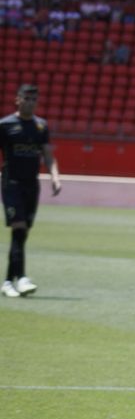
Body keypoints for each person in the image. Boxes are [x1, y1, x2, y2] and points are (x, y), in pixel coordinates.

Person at [0, 84, 63, 298]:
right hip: (12, 183)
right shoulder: (5, 125)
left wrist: (54, 176)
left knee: (22, 233)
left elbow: (47, 154)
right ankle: (22, 278)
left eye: (34, 99)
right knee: (18, 228)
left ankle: (8, 282)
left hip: (31, 185)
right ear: (17, 100)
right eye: (26, 98)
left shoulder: (40, 126)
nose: (30, 102)